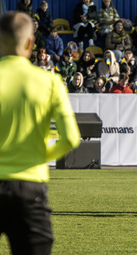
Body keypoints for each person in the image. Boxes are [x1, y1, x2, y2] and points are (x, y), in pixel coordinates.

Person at [0, 11, 80, 254]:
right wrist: (35, 156)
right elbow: (71, 138)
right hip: (30, 187)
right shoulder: (50, 82)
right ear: (30, 43)